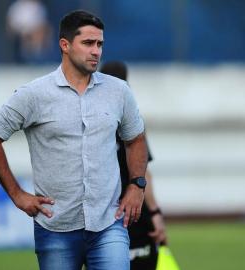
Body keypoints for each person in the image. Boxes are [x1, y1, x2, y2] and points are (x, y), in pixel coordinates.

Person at [0, 10, 148, 270]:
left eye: (100, 44)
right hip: (55, 228)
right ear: (65, 45)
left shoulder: (118, 91)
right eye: (88, 43)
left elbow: (135, 139)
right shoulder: (34, 94)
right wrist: (17, 194)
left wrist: (137, 184)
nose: (96, 51)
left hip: (108, 224)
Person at [100, 61, 167, 270]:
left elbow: (144, 171)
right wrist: (155, 214)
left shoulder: (131, 121)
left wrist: (155, 213)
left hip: (114, 214)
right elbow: (145, 172)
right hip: (123, 215)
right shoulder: (129, 121)